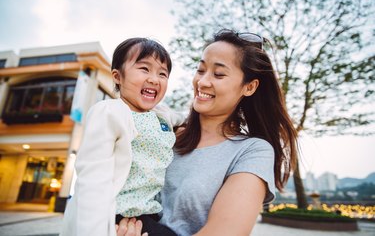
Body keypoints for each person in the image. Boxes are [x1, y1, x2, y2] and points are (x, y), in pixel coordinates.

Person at [117, 29, 298, 236]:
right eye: (201, 70)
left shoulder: (252, 152)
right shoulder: (164, 133)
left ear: (249, 87)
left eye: (218, 74)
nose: (202, 82)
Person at [61, 37, 183, 236]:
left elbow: (186, 119)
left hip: (149, 215)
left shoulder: (162, 115)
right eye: (144, 69)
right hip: (114, 217)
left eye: (163, 73)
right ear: (118, 76)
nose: (154, 78)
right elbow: (92, 180)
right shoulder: (109, 112)